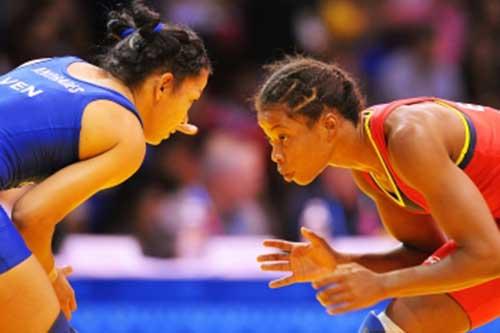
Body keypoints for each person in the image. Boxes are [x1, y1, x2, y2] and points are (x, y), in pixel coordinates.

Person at [0, 0, 211, 332]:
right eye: (190, 101)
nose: (187, 121)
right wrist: (49, 277)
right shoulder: (126, 136)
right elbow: (31, 215)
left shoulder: (55, 64)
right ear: (164, 86)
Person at [255, 56, 500, 332]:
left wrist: (382, 285)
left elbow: (487, 256)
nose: (275, 155)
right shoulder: (369, 167)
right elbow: (424, 255)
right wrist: (339, 262)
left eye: (283, 136)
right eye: (271, 140)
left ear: (329, 125)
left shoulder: (409, 139)